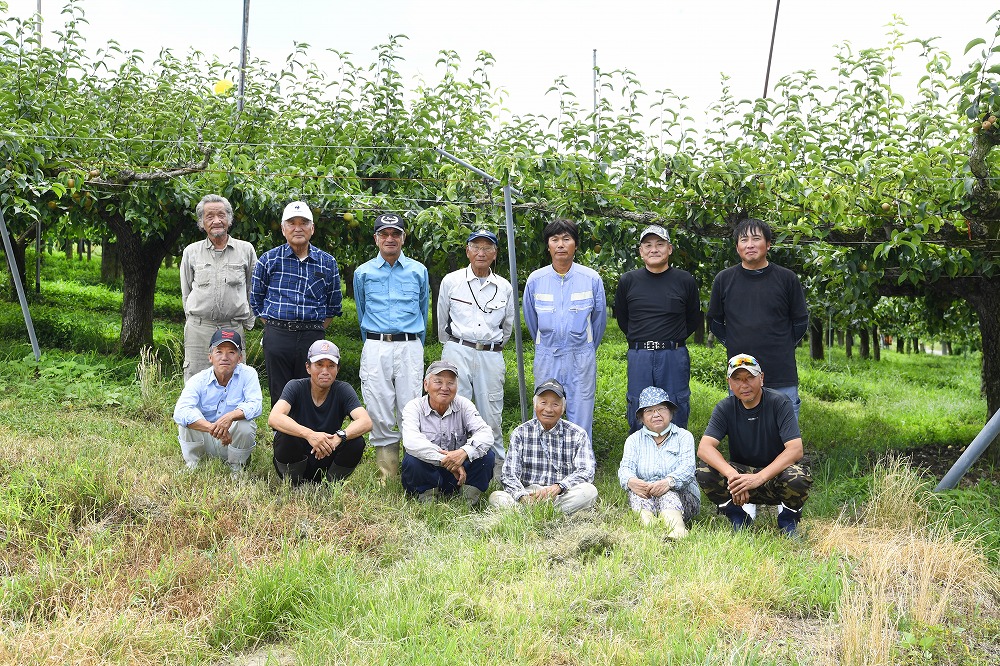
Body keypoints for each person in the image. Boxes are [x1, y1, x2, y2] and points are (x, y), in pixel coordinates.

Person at [695, 354, 813, 535]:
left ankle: (788, 520)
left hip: (775, 475)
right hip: (741, 477)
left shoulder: (779, 402)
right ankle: (738, 517)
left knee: (798, 476)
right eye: (738, 379)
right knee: (704, 471)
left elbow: (796, 450)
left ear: (762, 378)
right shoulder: (725, 407)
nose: (744, 385)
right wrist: (733, 477)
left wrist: (759, 478)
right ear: (729, 383)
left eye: (750, 377)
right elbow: (704, 448)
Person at [353, 213, 430, 483]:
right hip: (376, 345)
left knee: (411, 406)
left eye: (395, 234)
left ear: (403, 238)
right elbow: (361, 310)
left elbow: (423, 309)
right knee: (378, 404)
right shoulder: (363, 273)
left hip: (410, 345)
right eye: (384, 234)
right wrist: (375, 342)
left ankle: (413, 471)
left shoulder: (418, 271)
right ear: (376, 239)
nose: (389, 239)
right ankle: (387, 474)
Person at [707, 218, 808, 422]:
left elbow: (800, 321)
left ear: (768, 244)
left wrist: (783, 345)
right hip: (740, 372)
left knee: (785, 436)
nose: (750, 245)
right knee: (746, 434)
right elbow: (715, 321)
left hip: (781, 371)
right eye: (744, 240)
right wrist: (733, 342)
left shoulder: (787, 279)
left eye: (756, 239)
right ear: (737, 247)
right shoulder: (724, 280)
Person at [437, 229, 515, 477]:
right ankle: (455, 466)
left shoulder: (504, 287)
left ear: (495, 254)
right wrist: (453, 346)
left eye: (487, 248)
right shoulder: (451, 281)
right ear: (467, 251)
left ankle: (495, 470)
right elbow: (441, 320)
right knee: (455, 408)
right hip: (457, 349)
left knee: (491, 411)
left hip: (490, 354)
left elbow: (508, 327)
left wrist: (491, 348)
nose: (481, 253)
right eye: (476, 247)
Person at [522, 218, 607, 442]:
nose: (561, 244)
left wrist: (584, 347)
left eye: (566, 239)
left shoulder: (591, 279)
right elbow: (532, 322)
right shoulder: (536, 280)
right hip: (547, 355)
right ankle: (544, 458)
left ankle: (582, 464)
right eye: (555, 239)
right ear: (548, 245)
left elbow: (598, 322)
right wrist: (547, 344)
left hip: (581, 356)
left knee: (581, 409)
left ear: (575, 245)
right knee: (546, 410)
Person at [250, 201, 342, 406]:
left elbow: (334, 305)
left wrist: (314, 328)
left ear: (312, 228)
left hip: (312, 335)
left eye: (304, 222)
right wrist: (276, 328)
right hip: (278, 335)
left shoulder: (327, 262)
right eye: (291, 223)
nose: (297, 227)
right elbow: (256, 300)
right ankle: (283, 436)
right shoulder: (269, 259)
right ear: (283, 229)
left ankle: (309, 436)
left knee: (313, 390)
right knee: (280, 392)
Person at [615, 224, 701, 432]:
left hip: (673, 354)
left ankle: (676, 455)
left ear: (669, 249)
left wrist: (670, 340)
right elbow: (623, 319)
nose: (654, 249)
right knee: (638, 403)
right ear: (641, 251)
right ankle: (642, 456)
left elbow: (692, 318)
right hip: (640, 355)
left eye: (660, 244)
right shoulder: (628, 281)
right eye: (648, 245)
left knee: (676, 402)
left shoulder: (685, 280)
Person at [267, 339, 373, 484]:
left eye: (331, 366)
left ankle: (331, 485)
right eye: (319, 365)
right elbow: (274, 417)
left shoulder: (343, 389)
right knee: (285, 435)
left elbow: (365, 421)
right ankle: (294, 483)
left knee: (356, 441)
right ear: (308, 367)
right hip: (298, 453)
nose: (325, 371)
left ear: (338, 369)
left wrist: (339, 437)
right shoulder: (295, 387)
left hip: (328, 453)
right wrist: (309, 435)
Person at [489, 379, 598, 515]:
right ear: (535, 406)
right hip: (528, 494)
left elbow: (586, 471)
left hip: (561, 495)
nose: (548, 409)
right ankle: (546, 513)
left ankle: (529, 515)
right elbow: (509, 474)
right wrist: (523, 497)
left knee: (589, 491)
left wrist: (559, 487)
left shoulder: (577, 434)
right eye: (543, 402)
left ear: (563, 408)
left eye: (555, 404)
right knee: (496, 497)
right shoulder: (521, 433)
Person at [179, 194, 257, 381]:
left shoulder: (246, 250)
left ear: (229, 219)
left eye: (221, 215)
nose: (216, 221)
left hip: (232, 327)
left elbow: (253, 289)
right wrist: (193, 321)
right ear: (201, 222)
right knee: (195, 380)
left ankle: (229, 413)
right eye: (209, 217)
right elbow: (186, 291)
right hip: (199, 329)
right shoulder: (191, 251)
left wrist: (247, 322)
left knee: (233, 380)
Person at [400, 360, 495, 506]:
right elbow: (411, 441)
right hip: (432, 470)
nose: (444, 388)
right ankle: (427, 501)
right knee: (412, 458)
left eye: (450, 383)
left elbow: (486, 433)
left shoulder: (464, 405)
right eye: (438, 382)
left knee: (487, 455)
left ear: (456, 387)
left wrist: (464, 452)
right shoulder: (414, 407)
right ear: (426, 385)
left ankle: (467, 501)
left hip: (457, 477)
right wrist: (450, 462)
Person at [173, 328, 262, 473]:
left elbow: (256, 405)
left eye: (231, 352)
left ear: (240, 358)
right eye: (219, 351)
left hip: (231, 441)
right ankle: (194, 464)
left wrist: (230, 416)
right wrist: (212, 428)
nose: (224, 357)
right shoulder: (198, 379)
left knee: (245, 424)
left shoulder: (248, 374)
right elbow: (180, 412)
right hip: (206, 438)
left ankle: (236, 466)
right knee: (187, 417)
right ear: (210, 357)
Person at [618, 386, 700, 538]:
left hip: (681, 495)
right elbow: (625, 469)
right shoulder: (633, 440)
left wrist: (668, 482)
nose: (656, 414)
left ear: (670, 412)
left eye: (661, 409)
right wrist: (631, 481)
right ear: (642, 418)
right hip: (647, 494)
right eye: (649, 411)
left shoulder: (684, 436)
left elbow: (688, 469)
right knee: (637, 494)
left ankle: (677, 532)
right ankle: (650, 529)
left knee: (667, 494)